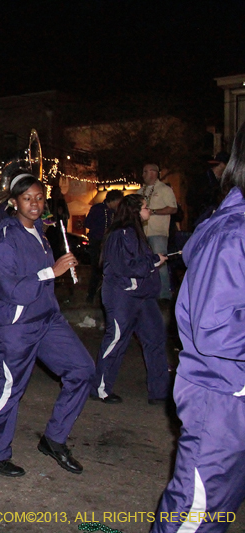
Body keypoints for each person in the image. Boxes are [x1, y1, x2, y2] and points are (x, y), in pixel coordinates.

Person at [150, 125, 245, 533]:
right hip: (223, 396)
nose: (150, 175)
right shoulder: (231, 233)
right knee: (193, 518)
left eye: (153, 170)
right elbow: (214, 326)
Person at [0, 173, 94, 478]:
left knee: (82, 370)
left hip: (46, 317)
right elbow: (10, 289)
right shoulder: (6, 238)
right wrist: (51, 272)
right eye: (27, 198)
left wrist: (58, 269)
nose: (34, 203)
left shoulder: (41, 232)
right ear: (14, 202)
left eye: (39, 197)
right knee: (10, 389)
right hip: (17, 324)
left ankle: (54, 439)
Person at [89, 194, 169, 404]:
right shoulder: (120, 234)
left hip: (142, 296)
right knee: (116, 340)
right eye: (145, 207)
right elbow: (126, 266)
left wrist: (152, 262)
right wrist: (154, 261)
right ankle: (100, 388)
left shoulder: (135, 233)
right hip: (122, 296)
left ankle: (160, 391)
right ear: (135, 210)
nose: (148, 211)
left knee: (156, 339)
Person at [138, 164, 177, 301]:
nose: (143, 175)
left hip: (158, 232)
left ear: (153, 173)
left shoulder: (164, 190)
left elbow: (173, 208)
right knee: (145, 264)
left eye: (145, 172)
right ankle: (148, 294)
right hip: (142, 234)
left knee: (160, 263)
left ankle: (164, 295)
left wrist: (153, 212)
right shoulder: (140, 191)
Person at [83, 190, 124, 304]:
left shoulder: (115, 213)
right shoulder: (97, 209)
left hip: (109, 243)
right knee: (96, 268)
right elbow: (88, 223)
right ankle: (91, 295)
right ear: (114, 200)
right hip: (97, 242)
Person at [191, 151, 228, 229]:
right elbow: (194, 198)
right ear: (222, 165)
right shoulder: (203, 179)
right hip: (204, 219)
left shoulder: (223, 181)